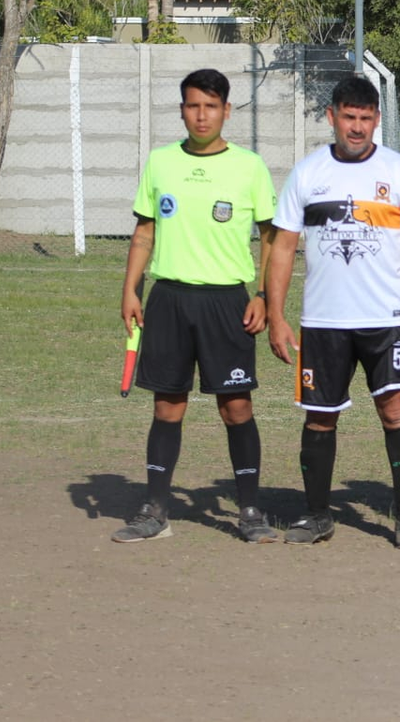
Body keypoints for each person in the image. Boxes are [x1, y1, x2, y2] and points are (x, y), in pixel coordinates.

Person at [266, 76, 400, 550]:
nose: (357, 127)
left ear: (377, 119)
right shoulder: (307, 173)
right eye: (349, 117)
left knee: (396, 412)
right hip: (323, 321)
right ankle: (317, 515)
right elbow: (282, 247)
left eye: (366, 118)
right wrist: (276, 315)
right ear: (332, 117)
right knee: (319, 418)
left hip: (387, 320)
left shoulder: (399, 171)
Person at [114, 68, 278, 544]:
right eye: (193, 106)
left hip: (227, 302)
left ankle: (250, 510)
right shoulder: (161, 162)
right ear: (182, 110)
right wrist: (130, 289)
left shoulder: (249, 166)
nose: (201, 115)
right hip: (169, 299)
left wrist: (264, 296)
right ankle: (155, 510)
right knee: (167, 406)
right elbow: (144, 231)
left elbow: (271, 237)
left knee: (236, 407)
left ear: (227, 111)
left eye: (210, 106)